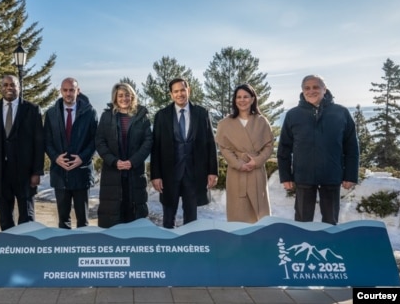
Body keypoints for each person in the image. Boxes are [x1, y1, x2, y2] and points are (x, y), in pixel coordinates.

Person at [277, 75, 359, 225]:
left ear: (324, 89)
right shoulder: (293, 115)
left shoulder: (341, 113)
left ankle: (330, 247)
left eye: (316, 87)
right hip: (303, 176)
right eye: (307, 88)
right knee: (302, 222)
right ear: (302, 91)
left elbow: (351, 147)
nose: (311, 91)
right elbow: (284, 149)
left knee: (330, 222)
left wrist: (350, 175)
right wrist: (286, 176)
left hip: (331, 175)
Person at [150, 78, 218, 229]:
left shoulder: (202, 113)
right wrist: (155, 175)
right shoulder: (162, 115)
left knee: (191, 218)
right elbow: (156, 148)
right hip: (169, 174)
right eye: (176, 91)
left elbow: (210, 143)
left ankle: (190, 246)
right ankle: (169, 247)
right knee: (168, 218)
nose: (180, 94)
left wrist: (213, 171)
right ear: (171, 94)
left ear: (189, 90)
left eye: (182, 90)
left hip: (193, 173)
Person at [0, 75, 44, 231]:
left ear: (19, 87)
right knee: (5, 218)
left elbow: (39, 143)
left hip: (25, 173)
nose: (9, 88)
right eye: (6, 85)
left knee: (27, 218)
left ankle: (27, 250)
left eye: (13, 85)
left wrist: (37, 171)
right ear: (1, 88)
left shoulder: (32, 110)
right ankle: (8, 250)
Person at [95, 83, 153, 228]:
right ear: (115, 97)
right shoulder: (107, 116)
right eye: (120, 95)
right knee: (112, 217)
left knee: (135, 217)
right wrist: (114, 161)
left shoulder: (142, 116)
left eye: (127, 95)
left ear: (132, 96)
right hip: (112, 174)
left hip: (135, 173)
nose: (124, 98)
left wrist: (133, 162)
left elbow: (148, 142)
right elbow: (100, 141)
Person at [44, 77, 98, 229]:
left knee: (83, 221)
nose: (68, 93)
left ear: (78, 91)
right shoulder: (51, 114)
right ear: (61, 91)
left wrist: (82, 158)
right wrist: (55, 157)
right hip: (60, 174)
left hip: (81, 173)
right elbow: (46, 140)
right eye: (65, 90)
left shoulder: (90, 112)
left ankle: (82, 251)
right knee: (63, 220)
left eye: (72, 90)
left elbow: (95, 140)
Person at [216, 83, 274, 223]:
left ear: (253, 99)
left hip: (256, 172)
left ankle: (260, 241)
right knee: (238, 213)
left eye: (246, 97)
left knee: (259, 214)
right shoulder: (225, 123)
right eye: (239, 97)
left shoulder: (262, 121)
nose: (242, 100)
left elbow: (269, 146)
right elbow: (224, 148)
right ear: (235, 100)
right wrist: (238, 163)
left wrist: (257, 161)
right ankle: (239, 241)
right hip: (237, 173)